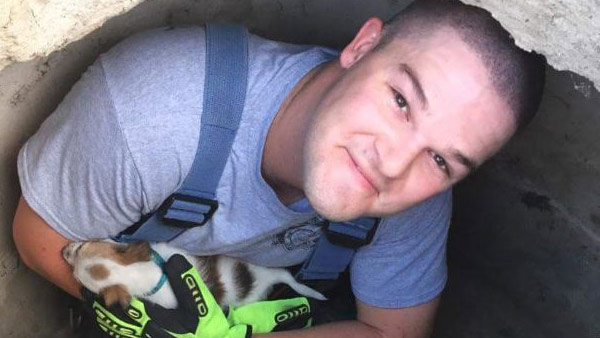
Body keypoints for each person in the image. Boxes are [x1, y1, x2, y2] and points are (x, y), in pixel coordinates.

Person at [12, 0, 546, 337]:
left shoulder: (419, 195)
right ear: (362, 47)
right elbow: (37, 234)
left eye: (440, 159)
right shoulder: (155, 111)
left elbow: (390, 330)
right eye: (402, 101)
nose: (393, 163)